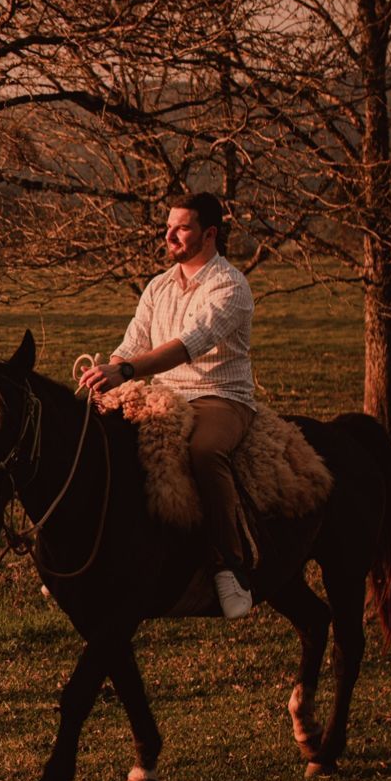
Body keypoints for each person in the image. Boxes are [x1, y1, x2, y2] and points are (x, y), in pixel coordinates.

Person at [79, 192, 258, 618]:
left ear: (209, 233)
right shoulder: (158, 286)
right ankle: (95, 555)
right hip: (164, 394)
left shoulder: (229, 285)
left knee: (204, 452)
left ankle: (231, 565)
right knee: (102, 440)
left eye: (182, 227)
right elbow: (132, 345)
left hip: (219, 395)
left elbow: (187, 346)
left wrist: (126, 373)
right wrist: (108, 375)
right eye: (169, 226)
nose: (169, 234)